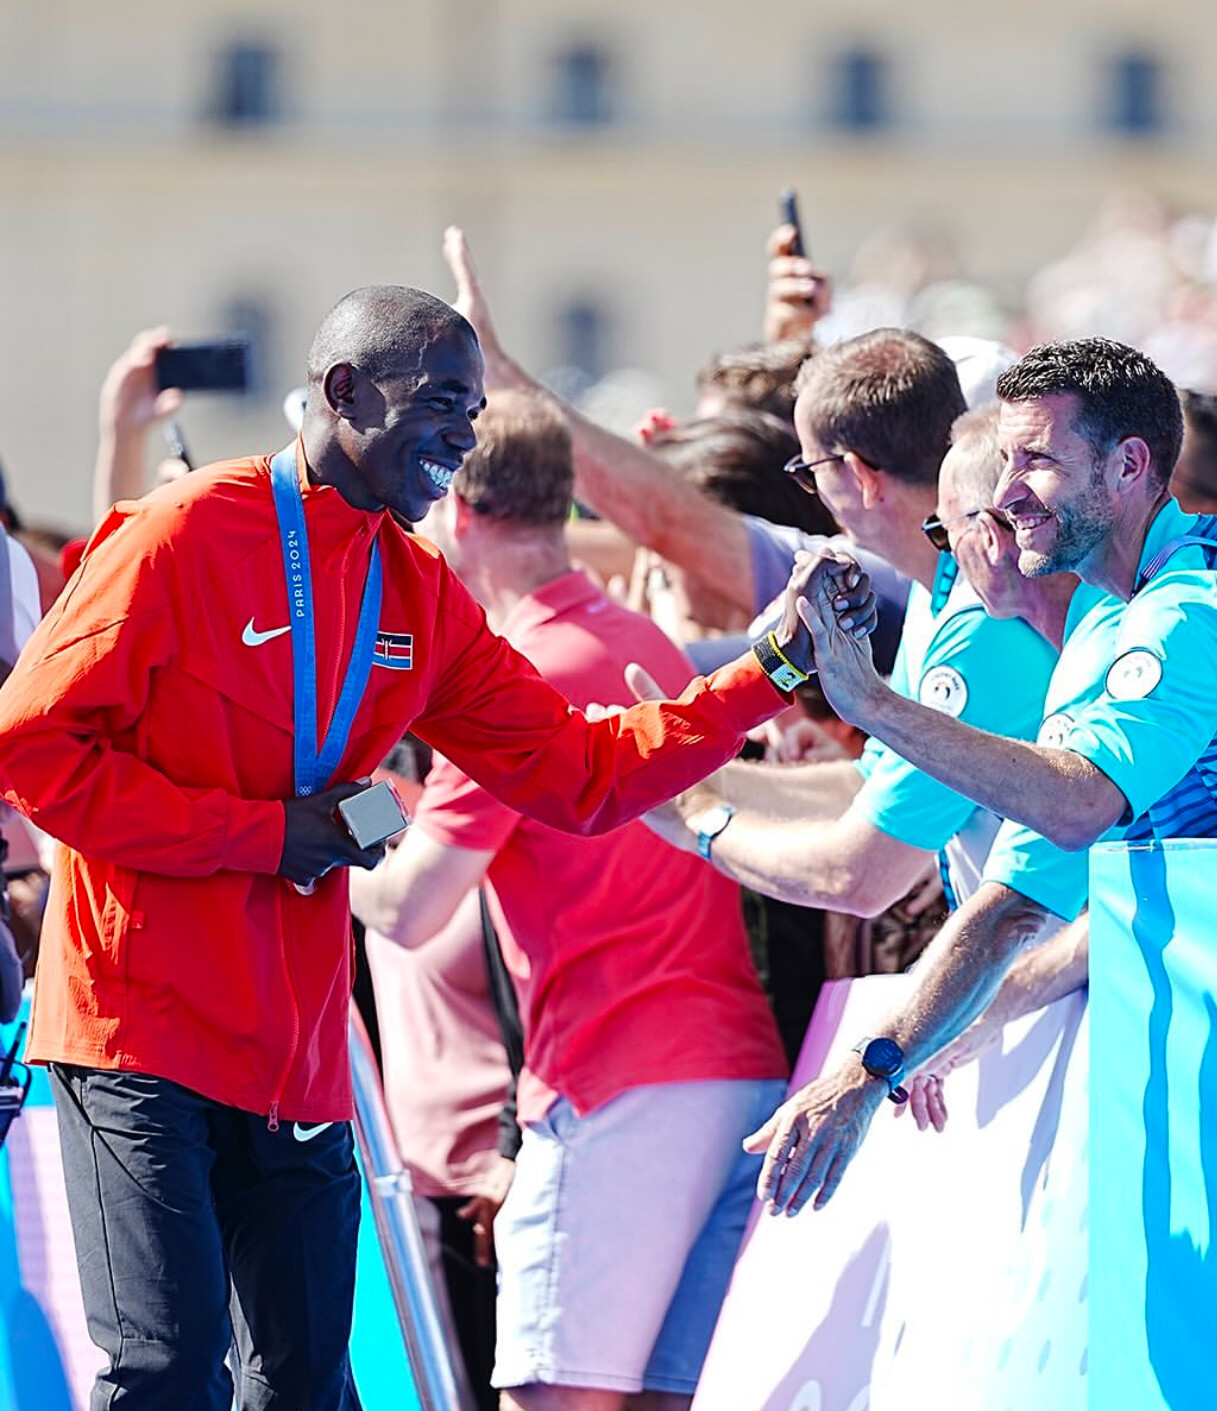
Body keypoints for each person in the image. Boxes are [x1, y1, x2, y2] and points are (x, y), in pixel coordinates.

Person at [0, 285, 859, 1410]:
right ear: (344, 391)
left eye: (474, 409)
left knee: (303, 1389)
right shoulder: (184, 529)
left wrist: (768, 672)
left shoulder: (416, 588)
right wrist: (267, 833)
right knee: (166, 1376)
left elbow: (578, 771)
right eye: (442, 402)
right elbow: (31, 750)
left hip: (295, 1054)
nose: (463, 434)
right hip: (138, 1030)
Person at [353, 389, 788, 1411]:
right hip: (733, 1075)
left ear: (457, 509)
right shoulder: (638, 639)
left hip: (613, 1085)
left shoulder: (510, 680)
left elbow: (410, 911)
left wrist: (331, 816)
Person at [752, 336, 1213, 1214]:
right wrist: (906, 1048)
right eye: (1005, 461)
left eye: (1036, 461)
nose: (1002, 498)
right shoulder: (1104, 619)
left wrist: (873, 705)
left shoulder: (1181, 613)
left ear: (1128, 466)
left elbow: (1074, 807)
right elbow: (1027, 904)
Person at [637, 351, 1057, 926]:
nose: (812, 495)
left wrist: (699, 822)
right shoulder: (939, 591)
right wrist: (688, 774)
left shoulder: (976, 620)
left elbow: (857, 878)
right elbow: (867, 783)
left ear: (857, 475)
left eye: (809, 472)